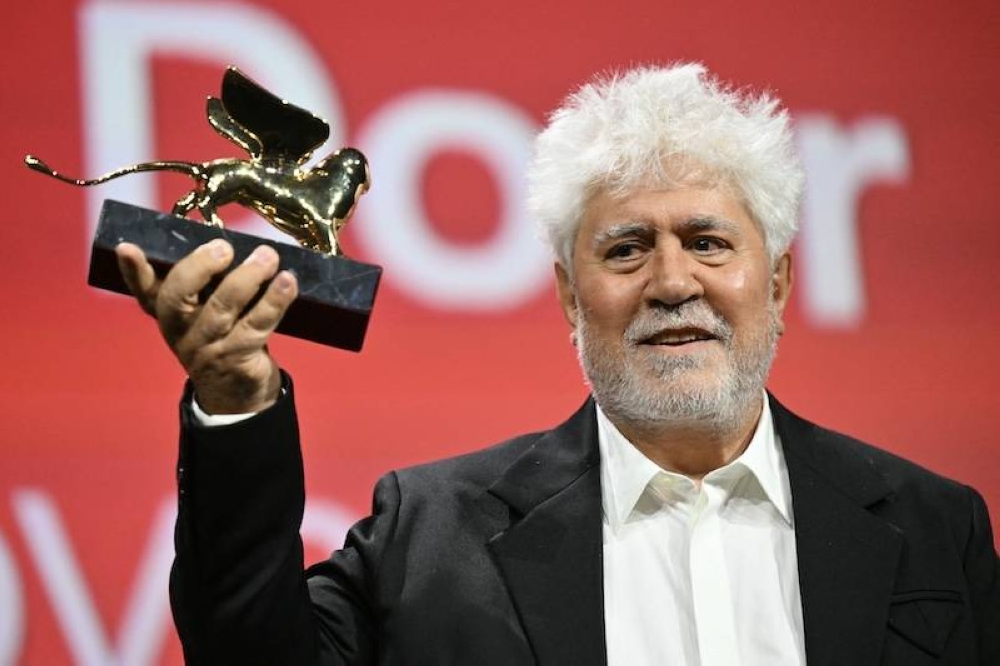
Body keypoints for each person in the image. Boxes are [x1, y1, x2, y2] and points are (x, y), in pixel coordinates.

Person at [116, 63, 999, 665]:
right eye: (623, 250)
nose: (670, 281)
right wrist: (235, 401)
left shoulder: (936, 530)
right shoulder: (427, 535)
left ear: (777, 281)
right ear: (570, 299)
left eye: (706, 240)